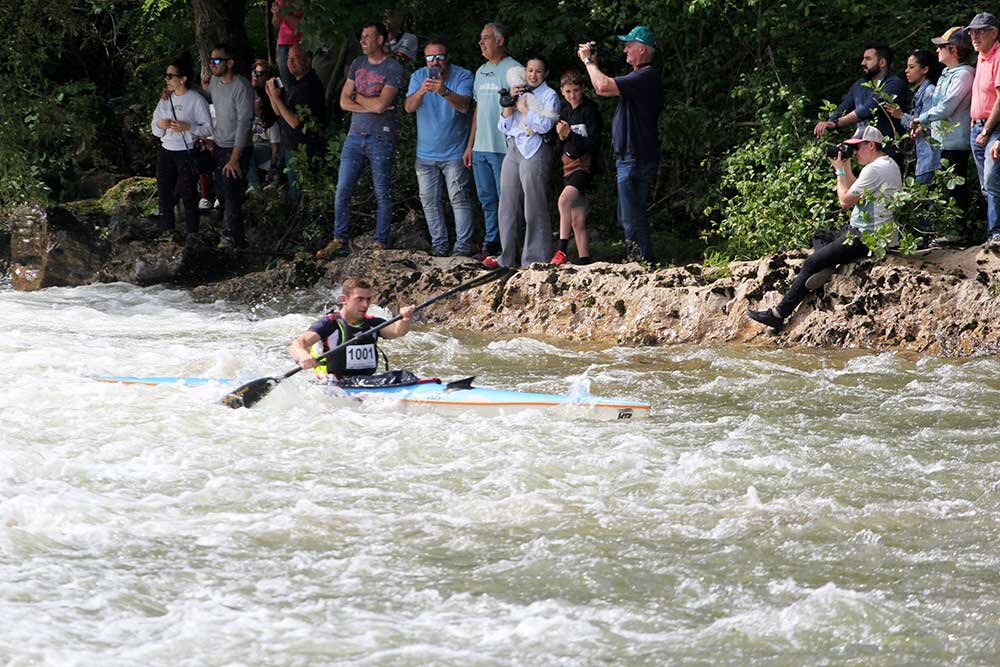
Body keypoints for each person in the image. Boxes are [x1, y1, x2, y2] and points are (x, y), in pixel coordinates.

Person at [747, 126, 903, 330]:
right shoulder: (887, 164)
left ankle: (778, 314)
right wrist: (846, 167)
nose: (854, 153)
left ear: (871, 144)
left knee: (811, 262)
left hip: (867, 237)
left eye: (857, 148)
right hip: (864, 230)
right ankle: (828, 265)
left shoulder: (874, 168)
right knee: (820, 235)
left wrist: (839, 171)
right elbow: (858, 187)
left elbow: (846, 201)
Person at [317, 22, 405, 259]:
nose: (362, 40)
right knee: (343, 189)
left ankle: (380, 241)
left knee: (382, 191)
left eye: (368, 36)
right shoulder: (357, 64)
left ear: (380, 40)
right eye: (362, 36)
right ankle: (339, 239)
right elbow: (344, 101)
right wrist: (367, 101)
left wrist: (359, 98)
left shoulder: (393, 68)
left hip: (381, 136)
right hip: (355, 135)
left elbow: (380, 105)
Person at [579, 26, 664, 264]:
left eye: (629, 45)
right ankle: (639, 260)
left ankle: (641, 263)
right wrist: (593, 64)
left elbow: (602, 87)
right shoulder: (638, 78)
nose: (625, 49)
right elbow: (604, 84)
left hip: (635, 156)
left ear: (642, 49)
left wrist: (588, 62)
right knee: (629, 213)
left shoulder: (645, 76)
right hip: (630, 156)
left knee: (633, 215)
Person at [482, 57, 559, 269]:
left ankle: (534, 258)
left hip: (535, 148)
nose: (533, 75)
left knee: (533, 204)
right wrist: (510, 104)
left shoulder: (549, 95)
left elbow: (545, 125)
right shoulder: (516, 89)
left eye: (538, 72)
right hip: (514, 147)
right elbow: (503, 126)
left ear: (545, 74)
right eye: (530, 70)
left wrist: (525, 108)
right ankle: (507, 256)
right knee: (507, 203)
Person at [404, 37, 475, 257]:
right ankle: (440, 246)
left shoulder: (463, 75)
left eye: (439, 57)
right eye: (430, 58)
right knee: (429, 201)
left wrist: (443, 90)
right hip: (425, 154)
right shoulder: (418, 77)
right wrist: (421, 92)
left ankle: (462, 248)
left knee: (459, 199)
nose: (435, 62)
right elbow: (408, 107)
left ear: (447, 59)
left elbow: (465, 106)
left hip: (454, 151)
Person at [464, 23, 522, 260]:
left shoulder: (515, 69)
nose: (481, 43)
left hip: (504, 147)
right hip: (481, 147)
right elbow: (478, 108)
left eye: (486, 38)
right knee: (487, 198)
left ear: (500, 41)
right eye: (480, 39)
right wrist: (470, 144)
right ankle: (491, 243)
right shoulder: (480, 71)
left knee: (506, 199)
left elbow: (522, 107)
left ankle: (511, 245)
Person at [288, 277, 416, 380]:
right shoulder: (329, 324)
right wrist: (303, 355)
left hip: (364, 380)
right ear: (344, 299)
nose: (365, 305)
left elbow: (397, 331)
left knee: (403, 377)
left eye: (368, 299)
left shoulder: (372, 323)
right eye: (359, 299)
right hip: (332, 383)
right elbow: (297, 344)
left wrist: (404, 319)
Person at [911, 27, 974, 233]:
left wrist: (921, 118)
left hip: (956, 142)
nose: (937, 51)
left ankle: (958, 232)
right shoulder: (947, 74)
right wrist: (923, 124)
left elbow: (947, 106)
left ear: (953, 50)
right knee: (946, 189)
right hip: (941, 142)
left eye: (941, 46)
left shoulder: (964, 75)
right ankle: (947, 230)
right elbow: (936, 108)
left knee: (955, 188)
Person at [151, 53, 213, 239]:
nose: (166, 79)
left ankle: (192, 232)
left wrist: (188, 127)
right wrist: (161, 125)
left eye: (170, 76)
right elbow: (154, 128)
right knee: (164, 193)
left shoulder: (196, 99)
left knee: (188, 193)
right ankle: (167, 231)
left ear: (183, 79)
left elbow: (208, 128)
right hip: (166, 151)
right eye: (166, 76)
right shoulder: (164, 99)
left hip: (186, 152)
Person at [551, 70, 603, 266]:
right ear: (562, 92)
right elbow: (558, 147)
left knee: (564, 201)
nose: (573, 95)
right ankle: (584, 261)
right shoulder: (564, 113)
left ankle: (561, 250)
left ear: (582, 90)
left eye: (576, 90)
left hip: (585, 168)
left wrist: (570, 135)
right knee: (577, 220)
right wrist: (562, 137)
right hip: (568, 168)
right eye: (568, 91)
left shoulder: (590, 111)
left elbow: (593, 143)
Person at [207, 44, 255, 249]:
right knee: (221, 193)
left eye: (217, 60)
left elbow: (245, 123)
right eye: (211, 61)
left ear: (230, 63)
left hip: (237, 149)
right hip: (218, 145)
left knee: (232, 194)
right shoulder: (215, 83)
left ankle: (232, 239)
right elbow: (208, 103)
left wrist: (234, 158)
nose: (213, 64)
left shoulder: (242, 87)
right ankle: (234, 237)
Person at [813, 43, 908, 145]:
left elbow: (867, 109)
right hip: (863, 148)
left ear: (882, 62)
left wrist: (835, 123)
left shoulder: (894, 84)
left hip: (886, 150)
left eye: (868, 59)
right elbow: (843, 108)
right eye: (863, 58)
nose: (863, 62)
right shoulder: (860, 84)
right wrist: (829, 122)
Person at [265, 44, 326, 201]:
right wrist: (272, 95)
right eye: (288, 59)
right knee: (288, 190)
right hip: (290, 146)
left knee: (299, 194)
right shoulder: (296, 84)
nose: (290, 62)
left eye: (295, 58)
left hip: (302, 149)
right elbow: (280, 112)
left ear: (308, 61)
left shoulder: (310, 85)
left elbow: (294, 121)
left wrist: (276, 98)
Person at [968, 13, 1000, 247]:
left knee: (992, 179)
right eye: (972, 32)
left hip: (993, 127)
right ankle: (992, 234)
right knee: (985, 185)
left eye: (980, 31)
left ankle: (996, 233)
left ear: (994, 33)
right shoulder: (982, 56)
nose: (974, 36)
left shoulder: (998, 56)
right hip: (977, 127)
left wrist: (987, 130)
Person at [887, 50, 941, 184]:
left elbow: (925, 124)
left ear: (925, 69)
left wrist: (901, 116)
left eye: (911, 67)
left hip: (930, 159)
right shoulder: (920, 92)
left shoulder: (929, 92)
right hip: (923, 158)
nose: (906, 71)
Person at [248, 60, 280, 189]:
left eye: (260, 73)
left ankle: (255, 185)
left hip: (267, 149)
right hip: (255, 146)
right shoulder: (248, 92)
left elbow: (275, 146)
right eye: (254, 72)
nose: (255, 75)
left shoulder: (273, 92)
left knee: (247, 152)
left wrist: (273, 166)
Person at [272, 0, 303, 90]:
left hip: (301, 42)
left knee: (302, 78)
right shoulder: (280, 1)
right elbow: (276, 24)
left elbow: (304, 24)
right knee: (286, 80)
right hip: (283, 42)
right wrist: (276, 14)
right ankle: (289, 101)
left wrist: (284, 14)